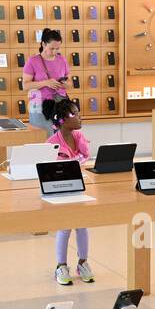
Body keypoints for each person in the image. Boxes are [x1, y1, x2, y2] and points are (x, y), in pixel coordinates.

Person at [47, 97, 94, 286]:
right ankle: (61, 266)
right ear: (63, 121)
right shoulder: (52, 143)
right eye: (75, 114)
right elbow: (51, 169)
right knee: (65, 226)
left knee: (82, 224)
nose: (80, 117)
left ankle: (83, 263)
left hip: (79, 186)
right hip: (61, 189)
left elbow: (86, 155)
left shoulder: (79, 137)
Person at [22, 28, 67, 131]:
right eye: (52, 48)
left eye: (58, 48)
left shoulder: (62, 60)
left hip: (59, 104)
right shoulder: (33, 61)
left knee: (60, 140)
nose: (55, 51)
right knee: (44, 139)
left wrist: (63, 84)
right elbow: (25, 85)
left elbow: (69, 83)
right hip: (39, 106)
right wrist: (46, 83)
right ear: (43, 44)